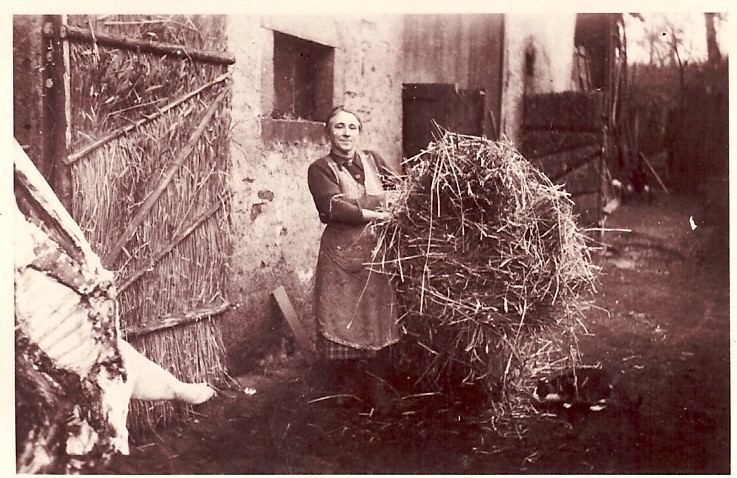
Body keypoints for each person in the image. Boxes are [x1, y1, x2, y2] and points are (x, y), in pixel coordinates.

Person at [307, 106, 400, 414]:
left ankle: (377, 389)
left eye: (352, 127)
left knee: (376, 318)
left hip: (376, 254)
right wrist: (378, 213)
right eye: (339, 127)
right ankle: (347, 390)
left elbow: (400, 190)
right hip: (341, 256)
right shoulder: (320, 169)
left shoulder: (374, 160)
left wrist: (390, 206)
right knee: (344, 318)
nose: (346, 133)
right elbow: (333, 207)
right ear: (328, 133)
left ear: (359, 132)